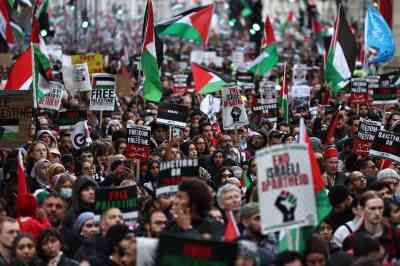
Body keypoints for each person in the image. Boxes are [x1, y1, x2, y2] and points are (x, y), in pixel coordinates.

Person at [343, 191, 400, 260]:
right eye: (372, 208)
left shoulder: (396, 234)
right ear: (362, 210)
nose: (377, 213)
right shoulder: (351, 239)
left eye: (380, 208)